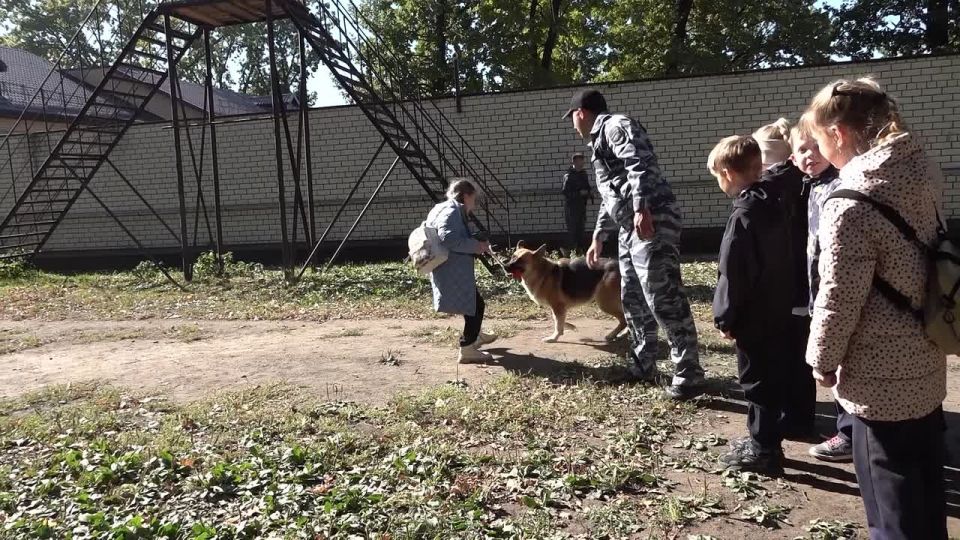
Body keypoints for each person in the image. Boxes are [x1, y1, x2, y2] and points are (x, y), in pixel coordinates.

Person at [805, 77, 947, 539]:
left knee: (892, 508)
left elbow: (838, 298)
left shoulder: (847, 201)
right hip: (927, 353)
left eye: (820, 138)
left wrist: (821, 362)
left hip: (877, 382)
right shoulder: (919, 170)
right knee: (926, 488)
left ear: (838, 134)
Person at [563, 89, 705, 400]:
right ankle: (643, 364)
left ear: (581, 113)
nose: (573, 125)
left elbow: (639, 162)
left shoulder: (616, 126)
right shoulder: (597, 142)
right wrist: (599, 235)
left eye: (572, 118)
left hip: (651, 219)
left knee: (662, 294)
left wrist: (642, 207)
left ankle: (689, 372)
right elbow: (609, 194)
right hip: (630, 227)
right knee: (633, 297)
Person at [709, 135, 794, 473]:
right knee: (771, 376)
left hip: (753, 316)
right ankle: (763, 438)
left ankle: (765, 450)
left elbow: (733, 272)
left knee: (756, 381)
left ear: (728, 172)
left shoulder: (744, 214)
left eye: (716, 175)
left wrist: (725, 317)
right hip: (777, 308)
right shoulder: (775, 201)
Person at [789, 117, 851, 462]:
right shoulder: (810, 185)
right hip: (818, 288)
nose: (809, 155)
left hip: (835, 284)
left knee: (840, 362)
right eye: (802, 150)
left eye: (816, 147)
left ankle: (849, 434)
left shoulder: (836, 183)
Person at [754, 118, 816, 438]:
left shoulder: (772, 187)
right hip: (802, 286)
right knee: (800, 357)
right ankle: (801, 416)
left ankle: (794, 420)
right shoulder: (803, 182)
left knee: (785, 356)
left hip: (786, 287)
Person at [425, 178, 498, 363]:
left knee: (472, 302)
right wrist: (476, 246)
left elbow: (451, 234)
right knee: (476, 305)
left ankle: (477, 335)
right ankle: (467, 348)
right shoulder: (452, 210)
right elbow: (448, 238)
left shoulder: (442, 207)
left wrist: (477, 240)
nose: (474, 203)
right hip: (453, 269)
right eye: (474, 198)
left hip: (450, 268)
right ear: (466, 196)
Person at [561, 153, 593, 254]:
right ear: (574, 162)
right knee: (573, 230)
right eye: (579, 161)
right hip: (572, 207)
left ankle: (580, 251)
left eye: (582, 160)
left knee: (581, 230)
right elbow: (565, 192)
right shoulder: (569, 176)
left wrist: (589, 193)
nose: (582, 163)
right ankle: (571, 252)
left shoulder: (583, 174)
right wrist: (578, 193)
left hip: (581, 206)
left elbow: (587, 187)